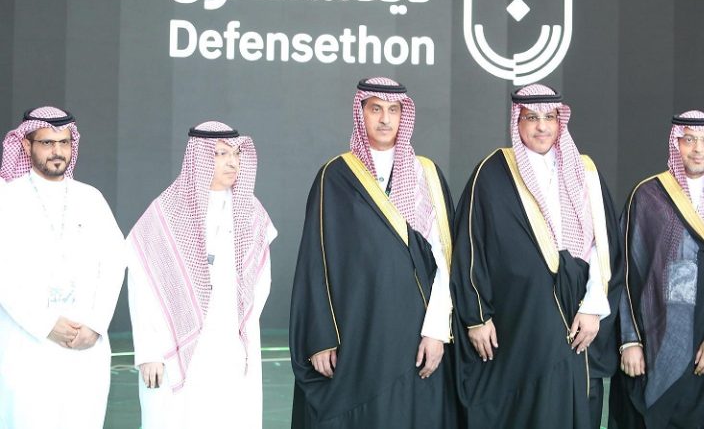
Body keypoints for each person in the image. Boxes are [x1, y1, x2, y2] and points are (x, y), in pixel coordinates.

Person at [451, 84, 621, 429]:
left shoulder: (585, 171)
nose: (542, 126)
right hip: (515, 319)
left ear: (560, 121)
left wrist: (593, 307)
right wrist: (477, 317)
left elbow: (603, 247)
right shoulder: (492, 172)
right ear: (518, 121)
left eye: (550, 117)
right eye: (531, 118)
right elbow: (470, 246)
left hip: (576, 313)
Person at [289, 77, 456, 428]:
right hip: (356, 333)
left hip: (415, 333)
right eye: (375, 109)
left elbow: (445, 260)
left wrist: (437, 330)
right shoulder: (335, 176)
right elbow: (315, 263)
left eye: (393, 110)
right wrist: (321, 337)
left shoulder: (426, 174)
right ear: (360, 113)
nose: (385, 119)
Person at [608, 110, 704, 428]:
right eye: (689, 140)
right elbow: (627, 274)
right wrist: (630, 340)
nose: (698, 149)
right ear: (676, 143)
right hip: (656, 340)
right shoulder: (648, 196)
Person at [127, 122, 276, 429]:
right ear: (200, 158)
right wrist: (149, 351)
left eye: (235, 154)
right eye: (220, 154)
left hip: (232, 345)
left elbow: (262, 282)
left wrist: (236, 326)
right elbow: (141, 287)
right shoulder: (166, 212)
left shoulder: (251, 211)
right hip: (176, 345)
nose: (232, 162)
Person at [0, 106, 126, 428]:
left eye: (64, 143)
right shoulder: (7, 199)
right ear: (26, 145)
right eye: (47, 143)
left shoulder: (91, 198)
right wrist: (45, 324)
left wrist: (95, 324)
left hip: (86, 345)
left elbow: (114, 262)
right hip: (27, 343)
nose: (57, 152)